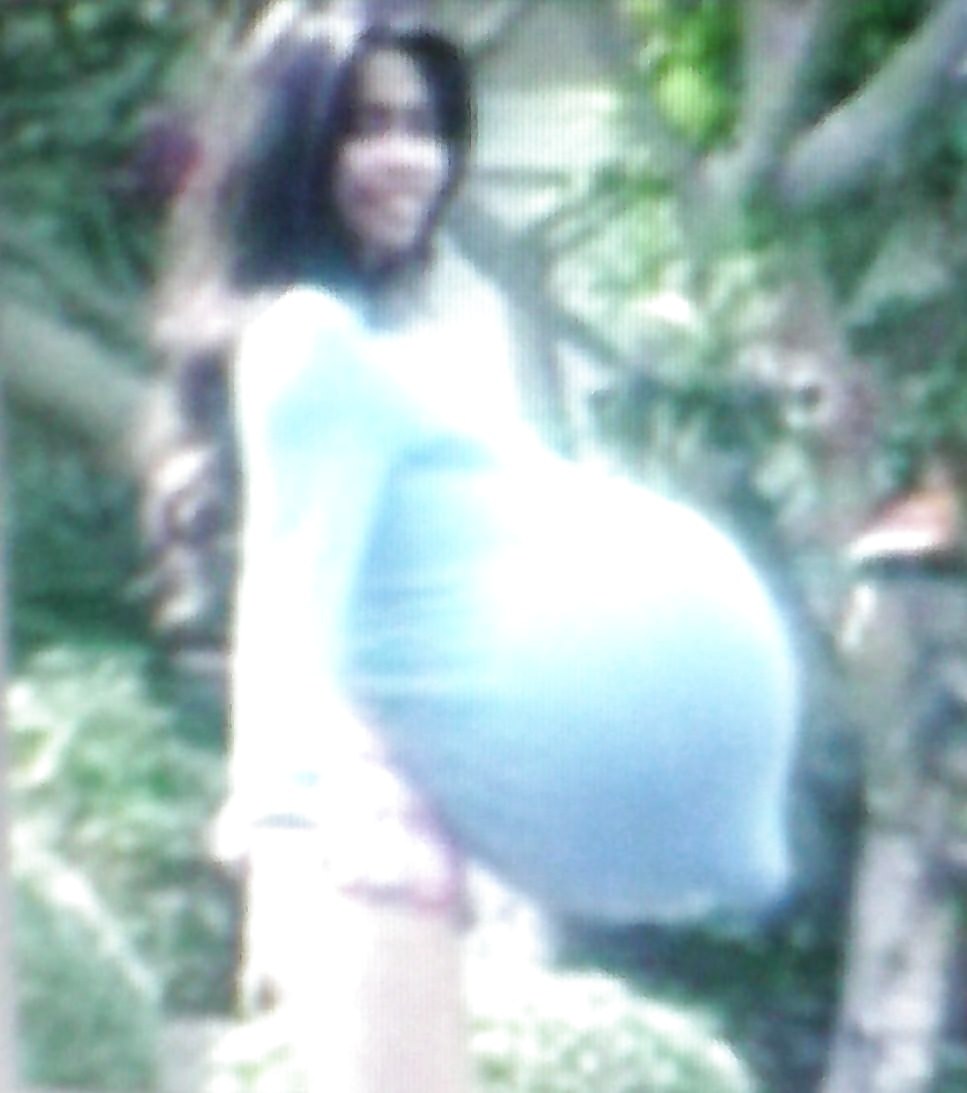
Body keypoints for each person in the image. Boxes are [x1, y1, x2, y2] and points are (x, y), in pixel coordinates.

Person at [142, 2, 797, 1088]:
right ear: (297, 147)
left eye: (423, 126)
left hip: (431, 802)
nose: (408, 158)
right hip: (365, 816)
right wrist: (278, 841)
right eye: (366, 128)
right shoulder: (306, 334)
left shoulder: (390, 342)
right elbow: (290, 599)